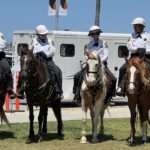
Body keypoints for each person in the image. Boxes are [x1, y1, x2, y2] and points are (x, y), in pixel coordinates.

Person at [73, 25, 117, 103]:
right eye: (93, 34)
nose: (95, 35)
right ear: (91, 35)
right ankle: (77, 95)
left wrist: (98, 61)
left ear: (99, 34)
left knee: (113, 79)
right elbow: (86, 56)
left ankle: (109, 97)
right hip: (91, 65)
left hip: (102, 64)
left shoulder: (104, 43)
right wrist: (90, 60)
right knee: (76, 76)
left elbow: (106, 55)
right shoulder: (88, 44)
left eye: (96, 33)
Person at [17, 25, 63, 99]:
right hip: (37, 60)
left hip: (48, 60)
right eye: (42, 35)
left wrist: (45, 54)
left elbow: (53, 51)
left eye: (45, 34)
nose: (44, 35)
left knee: (57, 71)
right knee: (23, 71)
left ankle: (58, 91)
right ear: (38, 35)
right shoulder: (34, 41)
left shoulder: (50, 41)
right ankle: (21, 90)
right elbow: (31, 51)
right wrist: (37, 53)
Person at [116, 17, 150, 96]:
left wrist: (145, 50)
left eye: (136, 26)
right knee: (122, 69)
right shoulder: (131, 35)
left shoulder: (148, 36)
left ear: (142, 26)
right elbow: (129, 46)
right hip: (134, 57)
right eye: (134, 26)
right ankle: (120, 87)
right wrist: (137, 49)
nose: (134, 27)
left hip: (145, 57)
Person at [0, 32, 16, 99]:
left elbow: (3, 44)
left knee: (7, 69)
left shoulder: (0, 35)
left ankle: (10, 89)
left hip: (0, 57)